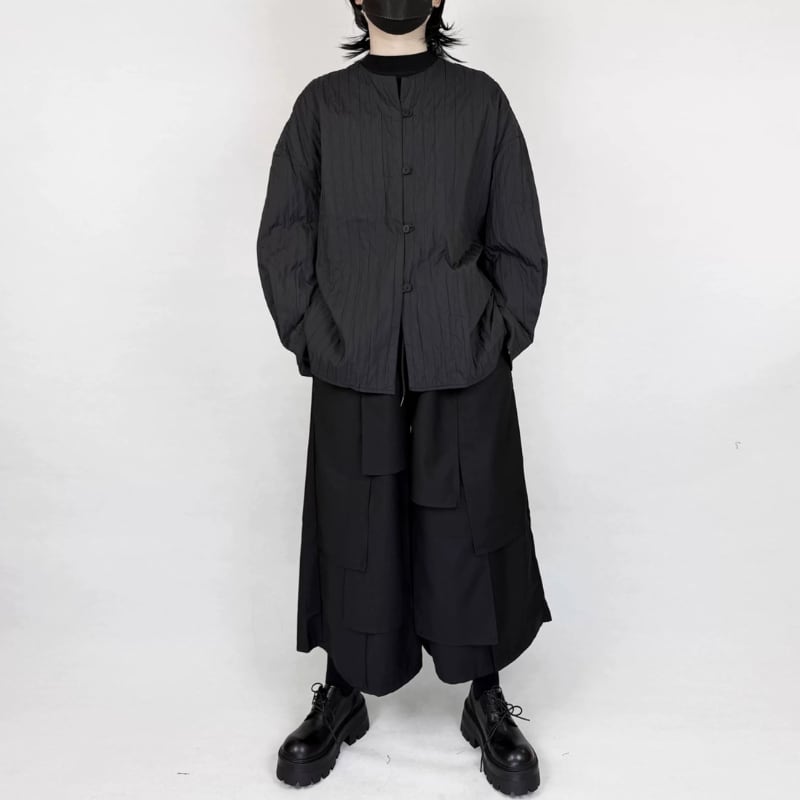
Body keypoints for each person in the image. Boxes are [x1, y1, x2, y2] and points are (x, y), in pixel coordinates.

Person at [256, 1, 552, 795]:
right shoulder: (322, 106)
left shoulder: (481, 102)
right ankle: (342, 689)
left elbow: (518, 236)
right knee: (353, 522)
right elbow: (284, 231)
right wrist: (314, 335)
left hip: (462, 349)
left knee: (473, 520)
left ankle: (485, 695)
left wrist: (497, 335)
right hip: (353, 352)